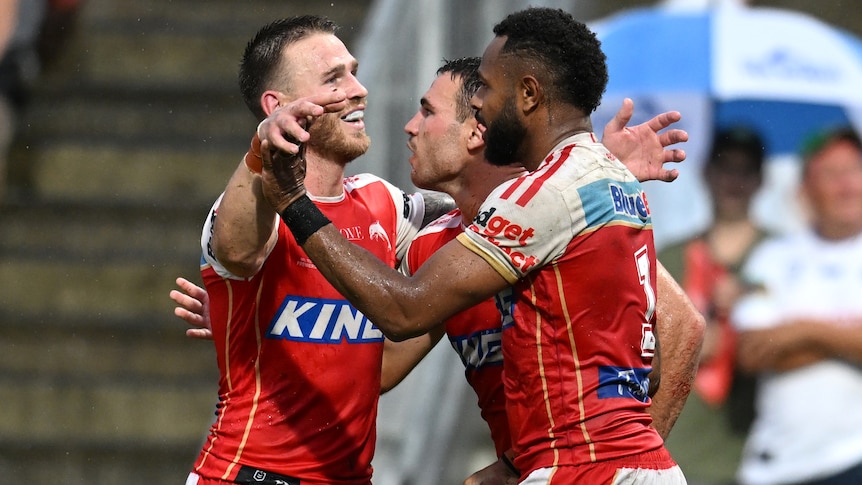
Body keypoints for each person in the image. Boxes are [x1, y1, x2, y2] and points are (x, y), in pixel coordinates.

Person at [185, 15, 692, 485]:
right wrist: (253, 319)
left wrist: (597, 174)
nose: (364, 92)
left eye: (428, 111)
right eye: (335, 78)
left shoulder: (538, 206)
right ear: (277, 106)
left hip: (583, 469)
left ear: (478, 129)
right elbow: (240, 251)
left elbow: (684, 328)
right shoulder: (424, 229)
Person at [730, 126, 862, 485]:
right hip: (775, 466)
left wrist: (802, 330)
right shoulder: (772, 258)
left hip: (851, 457)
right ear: (804, 189)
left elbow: (776, 345)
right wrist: (848, 338)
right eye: (832, 174)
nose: (847, 185)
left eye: (854, 170)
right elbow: (753, 352)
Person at [660, 126, 768, 484]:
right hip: (681, 454)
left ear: (761, 180)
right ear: (707, 172)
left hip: (762, 453)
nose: (734, 181)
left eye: (746, 171)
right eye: (726, 168)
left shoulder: (782, 257)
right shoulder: (669, 260)